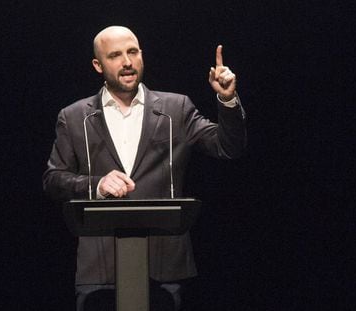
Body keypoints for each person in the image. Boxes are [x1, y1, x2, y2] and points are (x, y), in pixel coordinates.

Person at [43, 25, 246, 311]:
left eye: (132, 52)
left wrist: (227, 100)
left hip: (165, 264)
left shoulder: (176, 109)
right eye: (115, 55)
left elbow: (228, 148)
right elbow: (53, 179)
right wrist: (97, 185)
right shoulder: (75, 117)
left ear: (141, 56)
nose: (127, 61)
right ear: (98, 65)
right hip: (100, 267)